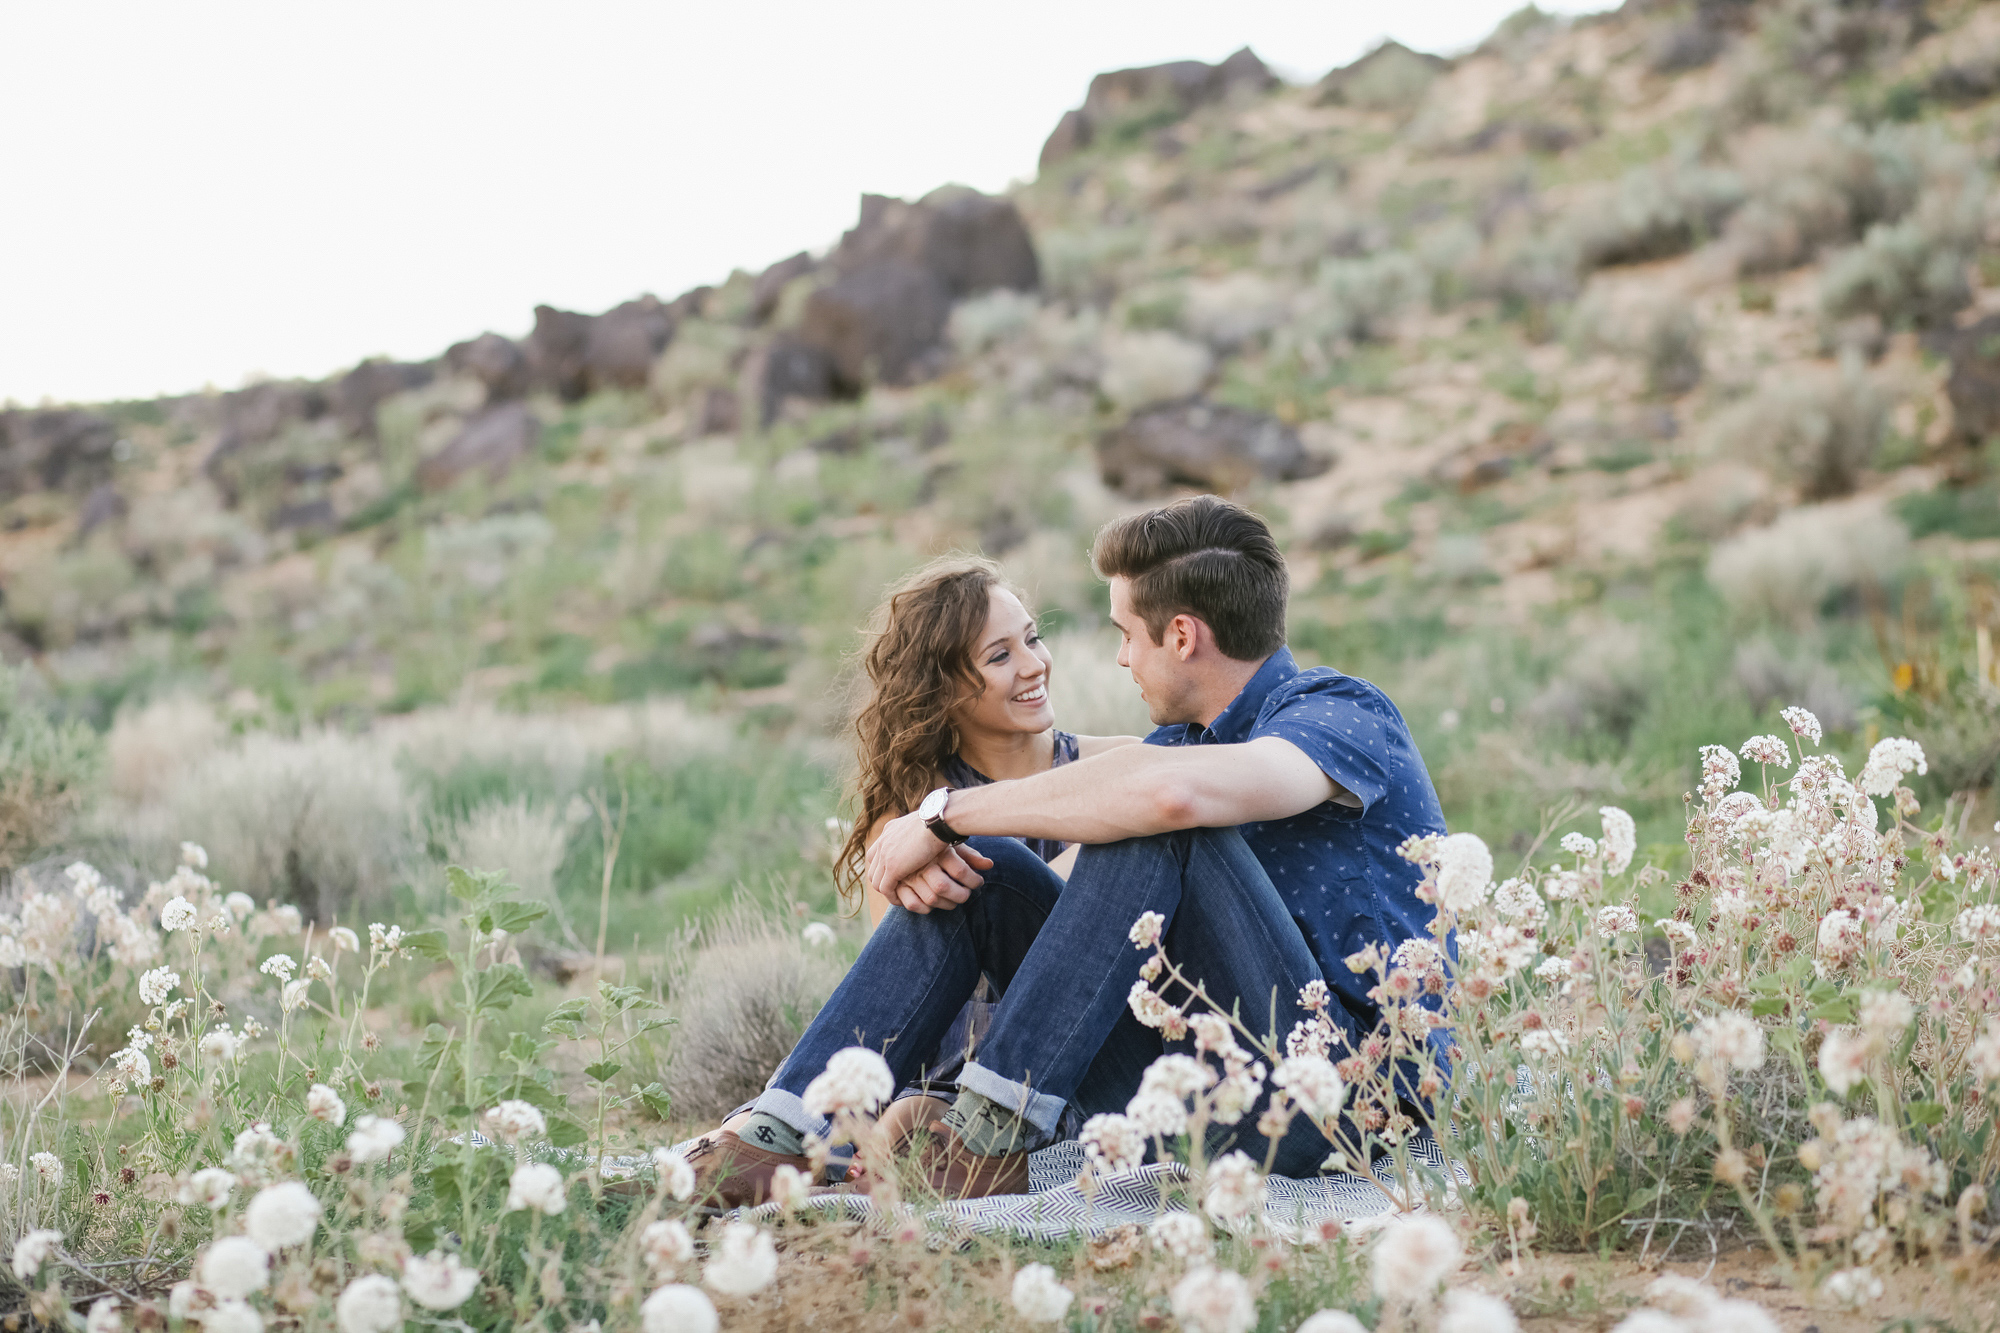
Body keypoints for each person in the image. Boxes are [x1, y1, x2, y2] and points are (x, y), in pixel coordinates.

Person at [689, 494, 1447, 1205]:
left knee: (1148, 812)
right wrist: (956, 861)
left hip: (1346, 1103)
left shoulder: (1339, 712)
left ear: (1180, 635)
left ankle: (982, 1136)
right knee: (996, 870)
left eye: (1124, 634)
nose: (1120, 660)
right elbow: (1083, 894)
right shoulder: (1177, 748)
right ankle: (774, 1136)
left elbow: (1171, 795)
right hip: (1191, 1092)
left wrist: (946, 813)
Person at [699, 555, 1139, 1184]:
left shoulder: (1118, 767)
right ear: (944, 690)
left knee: (997, 875)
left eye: (1033, 639)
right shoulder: (908, 825)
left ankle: (838, 1138)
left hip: (1077, 1065)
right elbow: (913, 1000)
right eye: (999, 657)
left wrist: (1058, 858)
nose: (1035, 665)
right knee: (898, 1121)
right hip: (947, 1079)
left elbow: (1107, 912)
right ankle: (768, 1139)